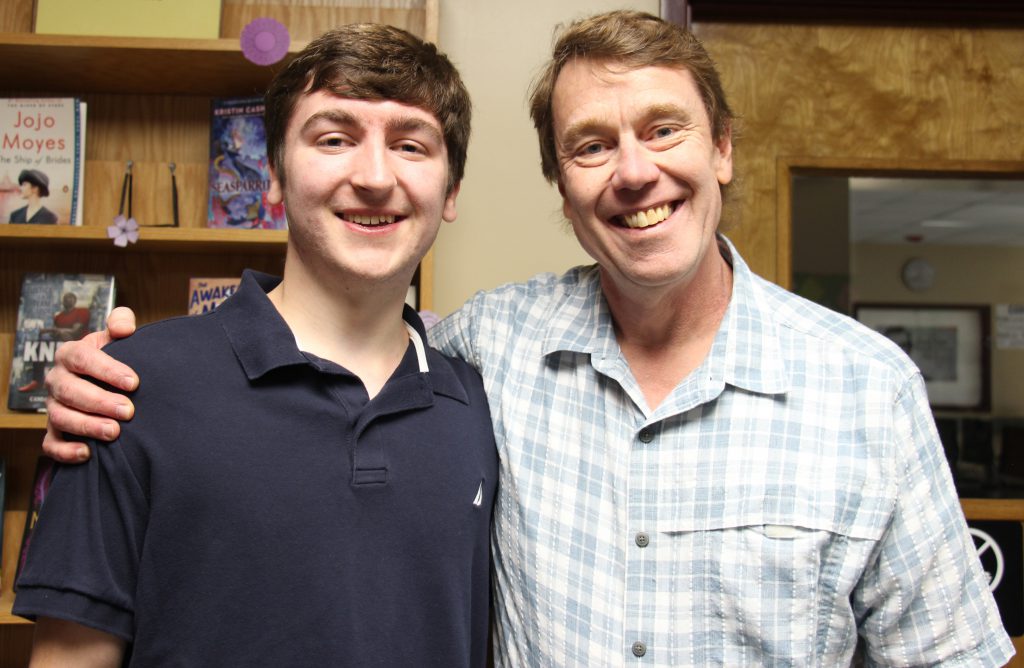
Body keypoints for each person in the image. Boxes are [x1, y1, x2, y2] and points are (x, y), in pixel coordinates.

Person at [41, 10, 1013, 667]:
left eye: (664, 130)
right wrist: (105, 374)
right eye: (592, 144)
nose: (633, 172)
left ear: (721, 147)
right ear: (560, 182)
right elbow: (328, 347)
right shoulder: (481, 355)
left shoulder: (865, 388)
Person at [16, 23, 496, 667]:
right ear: (272, 175)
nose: (376, 176)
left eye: (411, 146)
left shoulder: (479, 406)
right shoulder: (126, 390)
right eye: (334, 138)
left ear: (452, 190)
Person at [17, 291, 92, 394]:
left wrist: (53, 330)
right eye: (65, 298)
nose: (67, 299)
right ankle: (37, 381)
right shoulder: (59, 316)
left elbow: (75, 332)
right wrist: (49, 332)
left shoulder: (82, 312)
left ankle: (70, 383)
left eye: (70, 297)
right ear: (62, 301)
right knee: (42, 342)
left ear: (75, 300)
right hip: (62, 341)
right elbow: (57, 332)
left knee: (60, 338)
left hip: (80, 343)